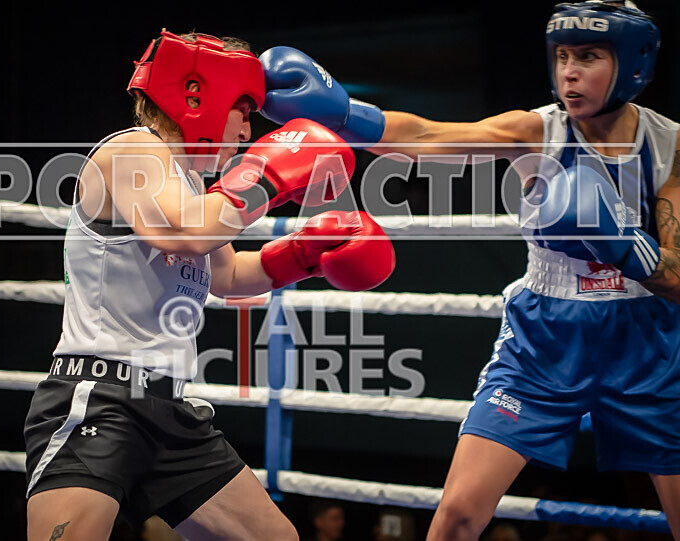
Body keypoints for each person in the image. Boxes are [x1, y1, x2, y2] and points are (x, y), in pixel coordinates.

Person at [255, 2, 680, 540]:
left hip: (646, 346)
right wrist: (341, 114)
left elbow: (676, 277)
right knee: (456, 516)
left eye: (590, 56)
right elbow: (427, 138)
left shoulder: (670, 146)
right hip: (544, 342)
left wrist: (622, 244)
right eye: (563, 55)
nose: (569, 71)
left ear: (634, 64)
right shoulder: (535, 132)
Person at [23, 30, 396, 541]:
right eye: (243, 111)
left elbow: (229, 277)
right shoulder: (132, 152)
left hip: (169, 411)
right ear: (199, 95)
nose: (246, 132)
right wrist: (265, 174)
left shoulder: (192, 184)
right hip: (98, 399)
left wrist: (308, 252)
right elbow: (184, 233)